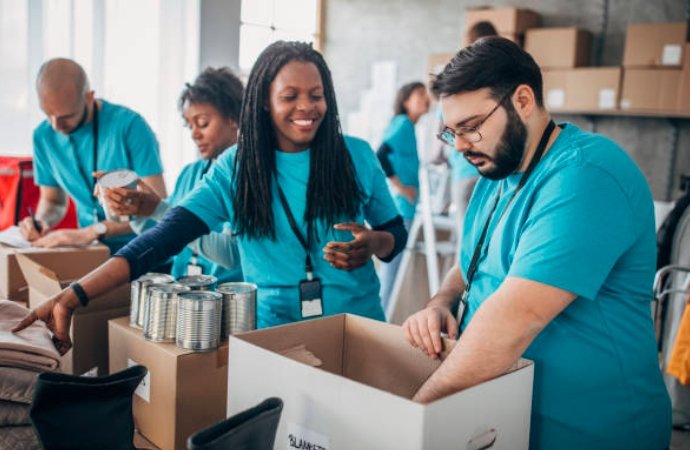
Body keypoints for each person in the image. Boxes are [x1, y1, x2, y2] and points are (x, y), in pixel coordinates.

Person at [14, 41, 407, 350]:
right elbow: (162, 237)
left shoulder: (355, 154)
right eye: (290, 96)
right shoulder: (237, 167)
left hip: (360, 326)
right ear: (264, 102)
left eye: (316, 95)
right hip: (275, 334)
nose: (306, 107)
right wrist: (75, 295)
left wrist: (374, 242)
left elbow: (394, 234)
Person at [402, 37, 671, 449]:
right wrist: (440, 302)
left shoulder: (586, 176)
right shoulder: (497, 175)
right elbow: (473, 262)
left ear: (523, 100)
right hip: (511, 419)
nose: (459, 146)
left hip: (592, 431)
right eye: (451, 133)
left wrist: (405, 419)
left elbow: (514, 320)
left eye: (471, 127)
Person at [102, 67, 243, 283]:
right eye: (190, 125)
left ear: (233, 118)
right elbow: (163, 233)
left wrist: (157, 209)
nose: (195, 134)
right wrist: (137, 211)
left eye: (203, 123)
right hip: (183, 295)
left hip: (225, 299)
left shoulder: (246, 178)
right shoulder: (190, 174)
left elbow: (229, 255)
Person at [18, 58, 166, 254]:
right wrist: (41, 222)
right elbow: (53, 201)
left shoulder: (130, 126)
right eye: (48, 115)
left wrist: (94, 231)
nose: (56, 126)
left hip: (143, 248)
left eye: (66, 117)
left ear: (89, 97)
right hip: (91, 251)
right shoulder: (43, 136)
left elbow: (157, 206)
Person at [376, 81, 430, 311]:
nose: (425, 98)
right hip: (400, 207)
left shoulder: (409, 126)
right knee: (392, 271)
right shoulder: (403, 124)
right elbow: (381, 154)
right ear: (405, 100)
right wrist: (401, 187)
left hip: (403, 206)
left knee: (392, 271)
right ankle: (379, 319)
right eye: (419, 95)